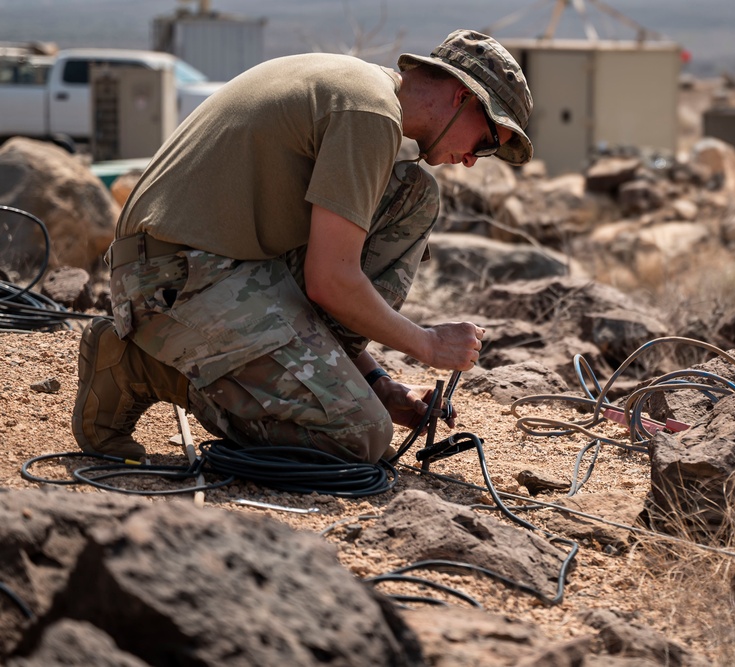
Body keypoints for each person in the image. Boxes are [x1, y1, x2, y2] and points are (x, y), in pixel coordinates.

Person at [73, 29, 533, 464]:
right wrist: (429, 345)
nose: (474, 159)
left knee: (413, 196)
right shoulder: (369, 113)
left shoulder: (361, 92)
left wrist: (378, 384)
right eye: (488, 141)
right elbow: (330, 281)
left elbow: (317, 281)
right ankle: (141, 366)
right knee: (360, 436)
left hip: (207, 265)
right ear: (464, 97)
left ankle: (300, 382)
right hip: (173, 278)